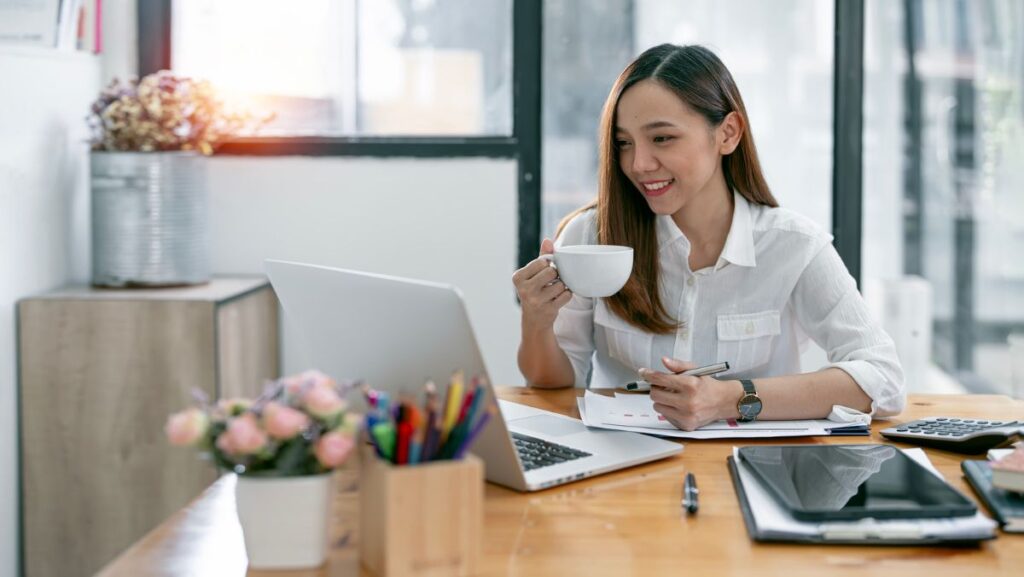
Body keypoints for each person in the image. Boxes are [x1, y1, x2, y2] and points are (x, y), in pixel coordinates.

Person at [512, 44, 905, 431]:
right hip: (625, 471)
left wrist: (730, 398)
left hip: (759, 469)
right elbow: (555, 383)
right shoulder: (591, 236)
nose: (638, 164)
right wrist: (537, 321)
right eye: (624, 143)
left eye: (662, 138)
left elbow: (883, 380)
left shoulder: (794, 246)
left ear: (728, 134)